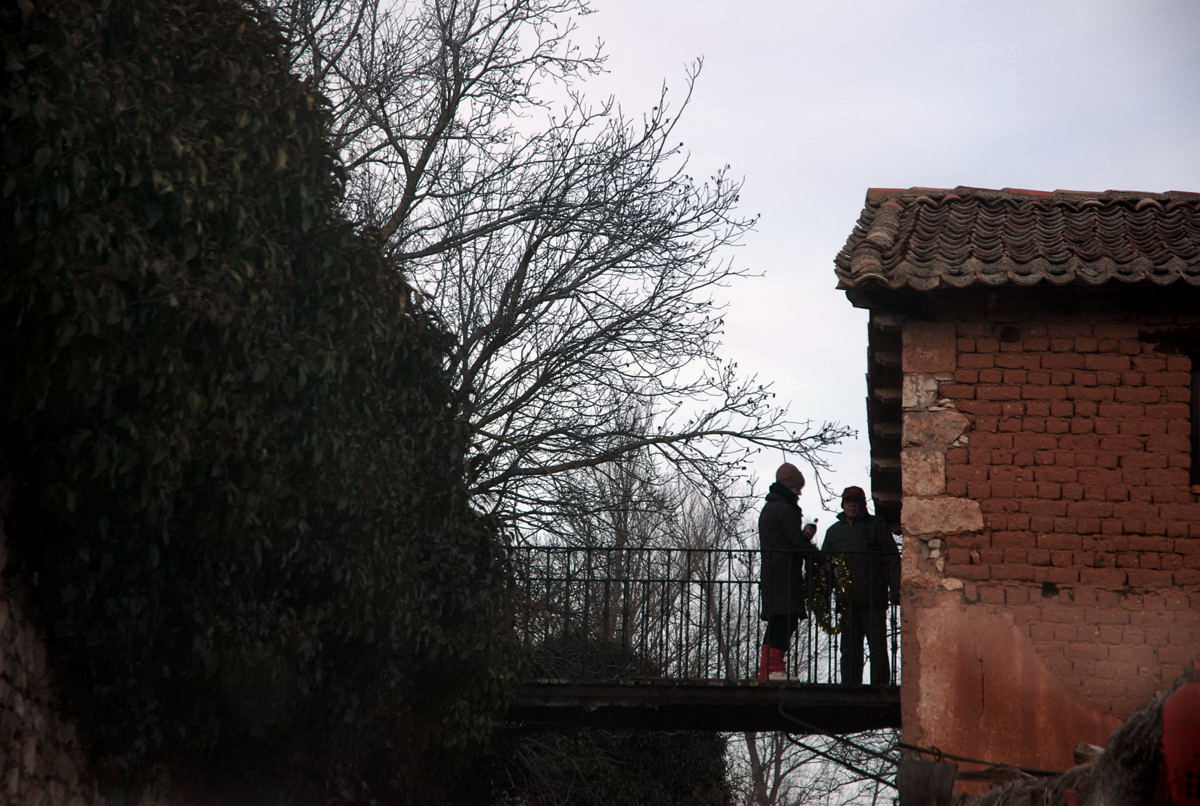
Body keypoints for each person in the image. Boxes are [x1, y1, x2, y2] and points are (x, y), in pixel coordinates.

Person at [821, 486, 900, 686]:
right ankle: (849, 685)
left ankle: (879, 686)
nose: (851, 505)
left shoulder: (876, 526)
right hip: (846, 599)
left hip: (874, 596)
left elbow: (891, 559)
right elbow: (825, 565)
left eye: (855, 501)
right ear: (843, 504)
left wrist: (895, 590)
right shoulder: (833, 532)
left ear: (862, 504)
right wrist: (823, 594)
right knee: (848, 647)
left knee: (877, 646)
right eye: (848, 501)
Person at [757, 462, 817, 680]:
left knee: (777, 620)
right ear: (788, 486)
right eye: (797, 487)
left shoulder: (770, 507)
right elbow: (793, 543)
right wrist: (814, 553)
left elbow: (785, 539)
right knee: (786, 619)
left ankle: (767, 669)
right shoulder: (786, 508)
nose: (799, 492)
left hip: (772, 571)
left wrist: (801, 539)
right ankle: (773, 669)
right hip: (785, 573)